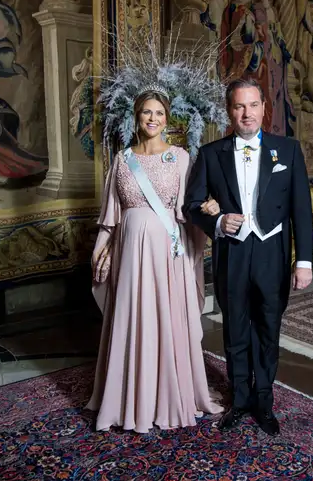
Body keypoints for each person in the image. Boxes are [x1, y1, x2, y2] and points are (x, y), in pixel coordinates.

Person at [87, 88, 224, 433]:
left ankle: (167, 397)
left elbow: (191, 206)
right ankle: (127, 401)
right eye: (147, 112)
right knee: (132, 317)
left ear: (167, 118)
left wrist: (211, 207)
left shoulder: (180, 158)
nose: (153, 118)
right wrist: (102, 249)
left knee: (165, 318)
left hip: (167, 255)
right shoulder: (122, 160)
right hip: (129, 254)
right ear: (137, 117)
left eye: (159, 113)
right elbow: (110, 216)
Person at [184, 78, 313, 436]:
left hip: (273, 252)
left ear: (263, 107)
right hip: (233, 253)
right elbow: (191, 205)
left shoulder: (287, 150)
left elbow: (301, 209)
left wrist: (304, 261)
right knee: (236, 329)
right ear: (230, 111)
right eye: (239, 106)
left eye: (254, 105)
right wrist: (218, 221)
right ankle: (240, 400)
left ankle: (264, 402)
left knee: (269, 329)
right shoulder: (211, 154)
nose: (247, 113)